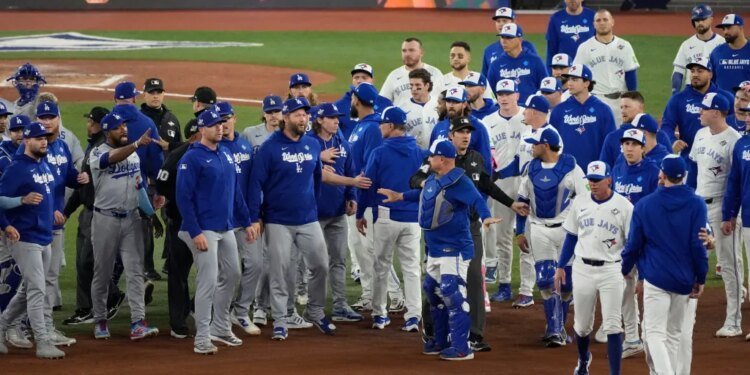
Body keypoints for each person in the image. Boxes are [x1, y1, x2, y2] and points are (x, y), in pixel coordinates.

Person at [410, 117, 528, 353]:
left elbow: (486, 186)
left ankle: (474, 334)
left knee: (474, 278)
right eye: (461, 132)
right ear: (451, 135)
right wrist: (434, 186)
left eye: (468, 132)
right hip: (441, 232)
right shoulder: (436, 158)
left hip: (469, 228)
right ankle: (433, 331)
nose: (466, 136)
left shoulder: (476, 159)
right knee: (434, 282)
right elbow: (415, 179)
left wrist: (510, 203)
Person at [378, 140, 501, 361]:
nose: (428, 159)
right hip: (434, 248)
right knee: (433, 291)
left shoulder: (460, 182)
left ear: (442, 159)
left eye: (432, 156)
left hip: (454, 248)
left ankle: (462, 347)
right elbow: (425, 195)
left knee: (452, 293)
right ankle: (440, 340)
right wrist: (400, 196)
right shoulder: (435, 179)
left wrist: (486, 217)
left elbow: (476, 200)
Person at [247, 97, 333, 341]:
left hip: (308, 218)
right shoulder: (269, 148)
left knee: (321, 265)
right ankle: (281, 320)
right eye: (297, 115)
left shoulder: (312, 145)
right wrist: (256, 216)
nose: (303, 118)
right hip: (278, 220)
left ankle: (315, 311)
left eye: (305, 114)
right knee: (280, 271)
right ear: (285, 118)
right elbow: (255, 184)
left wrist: (312, 206)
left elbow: (316, 178)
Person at [621, 155, 709, 375]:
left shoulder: (644, 205)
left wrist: (625, 269)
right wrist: (701, 277)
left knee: (654, 334)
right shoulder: (697, 203)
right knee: (673, 335)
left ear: (661, 175)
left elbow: (633, 245)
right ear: (684, 177)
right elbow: (698, 245)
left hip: (656, 278)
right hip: (684, 280)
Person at [177, 109, 253, 354]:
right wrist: (195, 230)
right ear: (202, 129)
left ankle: (220, 327)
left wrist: (247, 221)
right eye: (213, 125)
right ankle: (202, 337)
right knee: (207, 281)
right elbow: (183, 197)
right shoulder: (192, 158)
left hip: (226, 226)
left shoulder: (225, 153)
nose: (220, 128)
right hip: (203, 229)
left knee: (232, 275)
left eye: (221, 124)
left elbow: (236, 193)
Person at [554, 160, 633, 375]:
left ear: (609, 180)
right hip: (583, 269)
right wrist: (561, 266)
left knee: (613, 325)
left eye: (597, 180)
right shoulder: (579, 203)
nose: (593, 184)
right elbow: (571, 237)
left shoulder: (624, 206)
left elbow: (633, 242)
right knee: (581, 326)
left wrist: (629, 268)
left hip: (611, 269)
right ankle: (582, 359)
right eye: (590, 180)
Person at [88, 112, 160, 342]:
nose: (124, 130)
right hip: (105, 220)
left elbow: (139, 188)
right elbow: (110, 159)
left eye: (125, 126)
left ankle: (138, 322)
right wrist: (137, 144)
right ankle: (100, 319)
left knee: (135, 271)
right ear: (108, 131)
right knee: (103, 272)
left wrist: (150, 213)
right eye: (119, 127)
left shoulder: (134, 156)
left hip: (131, 220)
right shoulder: (97, 153)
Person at [356, 106, 428, 331]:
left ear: (389, 126)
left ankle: (379, 315)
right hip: (413, 218)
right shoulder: (420, 152)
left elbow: (367, 185)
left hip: (386, 217)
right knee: (412, 268)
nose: (379, 128)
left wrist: (360, 213)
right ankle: (414, 316)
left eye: (382, 124)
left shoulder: (379, 152)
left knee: (381, 267)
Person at [0, 122, 67, 359]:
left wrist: (53, 212)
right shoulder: (17, 168)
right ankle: (44, 342)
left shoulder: (44, 164)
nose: (44, 141)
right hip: (24, 237)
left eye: (45, 138)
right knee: (38, 290)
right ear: (27, 141)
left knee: (29, 290)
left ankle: (1, 325)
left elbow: (46, 195)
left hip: (44, 235)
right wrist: (10, 219)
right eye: (38, 138)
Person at [516, 127, 588, 347]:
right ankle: (555, 330)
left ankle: (559, 326)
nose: (531, 147)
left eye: (535, 144)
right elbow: (522, 202)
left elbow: (586, 201)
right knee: (546, 280)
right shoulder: (530, 168)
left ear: (545, 145)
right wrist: (520, 231)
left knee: (566, 283)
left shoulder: (572, 168)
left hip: (568, 231)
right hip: (539, 228)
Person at [62, 107, 127, 326]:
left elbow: (89, 188)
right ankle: (94, 303)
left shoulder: (103, 150)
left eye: (91, 121)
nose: (87, 125)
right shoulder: (95, 146)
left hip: (99, 214)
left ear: (100, 124)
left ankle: (100, 302)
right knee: (86, 262)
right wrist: (68, 211)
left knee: (89, 261)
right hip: (90, 212)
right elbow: (83, 187)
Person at [497, 95, 562, 308]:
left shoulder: (553, 137)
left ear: (535, 112)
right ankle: (526, 291)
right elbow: (517, 162)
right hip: (525, 191)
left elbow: (557, 168)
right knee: (524, 238)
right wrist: (496, 175)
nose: (523, 112)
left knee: (546, 242)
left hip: (544, 194)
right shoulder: (527, 133)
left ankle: (557, 289)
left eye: (527, 110)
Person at [348, 83, 405, 314]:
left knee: (372, 248)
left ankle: (396, 295)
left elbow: (370, 166)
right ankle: (369, 295)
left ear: (356, 100)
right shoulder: (360, 126)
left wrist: (365, 198)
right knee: (359, 248)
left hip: (367, 196)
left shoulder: (371, 128)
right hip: (355, 193)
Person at [689, 93, 743, 338]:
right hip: (699, 207)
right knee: (692, 259)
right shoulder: (700, 135)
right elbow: (693, 171)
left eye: (704, 108)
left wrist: (730, 215)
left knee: (729, 266)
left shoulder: (734, 140)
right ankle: (684, 318)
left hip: (722, 207)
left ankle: (733, 321)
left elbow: (737, 180)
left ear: (717, 112)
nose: (699, 111)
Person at [31, 101, 88, 323]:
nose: (46, 122)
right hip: (35, 225)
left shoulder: (62, 147)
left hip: (56, 225)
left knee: (51, 277)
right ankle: (22, 325)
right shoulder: (32, 150)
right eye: (42, 118)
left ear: (58, 119)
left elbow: (67, 176)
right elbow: (36, 185)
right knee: (35, 280)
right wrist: (53, 209)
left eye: (50, 117)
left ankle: (44, 326)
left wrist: (79, 178)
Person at [307, 103, 363, 323]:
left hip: (338, 212)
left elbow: (351, 171)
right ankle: (315, 308)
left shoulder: (342, 144)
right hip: (313, 215)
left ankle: (340, 306)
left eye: (337, 118)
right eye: (331, 118)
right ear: (320, 120)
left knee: (339, 260)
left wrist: (351, 196)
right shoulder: (309, 143)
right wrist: (318, 158)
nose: (337, 121)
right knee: (316, 264)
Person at [209, 102, 261, 338]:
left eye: (227, 118)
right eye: (219, 120)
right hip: (220, 222)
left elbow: (251, 185)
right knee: (223, 272)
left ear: (234, 119)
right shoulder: (213, 148)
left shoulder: (243, 144)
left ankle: (240, 311)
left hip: (244, 218)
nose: (224, 123)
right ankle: (216, 316)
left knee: (256, 264)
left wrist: (254, 217)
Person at [110, 81, 166, 282]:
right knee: (135, 245)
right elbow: (156, 161)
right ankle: (139, 285)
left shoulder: (107, 123)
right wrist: (159, 190)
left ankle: (108, 292)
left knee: (106, 251)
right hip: (137, 190)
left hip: (106, 196)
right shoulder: (147, 123)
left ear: (115, 99)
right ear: (134, 98)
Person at [155, 119, 201, 339]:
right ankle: (178, 321)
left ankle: (196, 308)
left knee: (215, 272)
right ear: (193, 136)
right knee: (178, 274)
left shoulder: (217, 153)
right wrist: (171, 207)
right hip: (181, 225)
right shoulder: (176, 157)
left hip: (208, 226)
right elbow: (161, 188)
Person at [662, 55, 734, 190]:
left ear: (710, 74)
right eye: (693, 71)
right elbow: (667, 125)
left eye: (700, 71)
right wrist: (672, 141)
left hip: (719, 160)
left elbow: (734, 124)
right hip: (688, 161)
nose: (695, 74)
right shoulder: (678, 99)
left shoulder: (725, 98)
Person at [482, 79, 525, 297]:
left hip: (528, 182)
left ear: (517, 94)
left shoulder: (528, 116)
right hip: (501, 184)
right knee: (503, 235)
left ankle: (529, 286)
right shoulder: (488, 121)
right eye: (500, 93)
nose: (504, 97)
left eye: (509, 93)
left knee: (530, 233)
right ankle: (505, 284)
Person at [573, 9, 639, 126]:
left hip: (620, 101)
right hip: (596, 100)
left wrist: (632, 100)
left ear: (612, 22)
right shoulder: (585, 47)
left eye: (605, 19)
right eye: (598, 20)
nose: (602, 23)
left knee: (621, 137)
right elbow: (577, 77)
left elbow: (630, 74)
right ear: (594, 24)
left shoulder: (624, 45)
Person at [550, 64, 617, 170]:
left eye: (575, 79)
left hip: (595, 173)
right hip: (565, 172)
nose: (569, 83)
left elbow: (612, 144)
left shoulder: (603, 110)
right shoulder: (559, 111)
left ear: (586, 83)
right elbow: (552, 144)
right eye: (569, 79)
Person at [723, 94, 750, 342]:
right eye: (748, 114)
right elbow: (734, 183)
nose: (748, 118)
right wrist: (729, 214)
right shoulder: (741, 145)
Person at [429, 85, 493, 174]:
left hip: (468, 179)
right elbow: (431, 156)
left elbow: (485, 161)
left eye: (455, 102)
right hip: (442, 181)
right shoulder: (439, 126)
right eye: (448, 101)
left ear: (464, 104)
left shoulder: (478, 127)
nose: (451, 105)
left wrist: (485, 184)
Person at [600, 92, 672, 167]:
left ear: (641, 107)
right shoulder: (612, 137)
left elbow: (670, 165)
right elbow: (605, 170)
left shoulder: (658, 135)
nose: (623, 111)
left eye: (627, 107)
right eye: (621, 107)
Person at [486, 23, 548, 103]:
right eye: (502, 37)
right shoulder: (496, 65)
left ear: (520, 39)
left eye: (508, 37)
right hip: (507, 112)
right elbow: (490, 93)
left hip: (530, 111)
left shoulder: (535, 61)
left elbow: (545, 87)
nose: (504, 41)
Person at [671, 4, 725, 95]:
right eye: (697, 20)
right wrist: (675, 93)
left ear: (711, 20)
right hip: (691, 92)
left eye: (703, 19)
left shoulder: (722, 43)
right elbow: (678, 71)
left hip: (715, 92)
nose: (700, 23)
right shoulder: (687, 45)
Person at [380, 37, 444, 108]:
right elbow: (382, 102)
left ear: (421, 52)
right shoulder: (394, 75)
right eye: (404, 51)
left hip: (429, 118)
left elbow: (445, 100)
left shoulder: (435, 73)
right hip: (403, 118)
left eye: (411, 50)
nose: (407, 54)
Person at [335, 63, 393, 140]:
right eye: (356, 77)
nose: (359, 81)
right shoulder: (339, 106)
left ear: (372, 81)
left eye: (364, 77)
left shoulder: (385, 103)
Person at [482, 7, 539, 78]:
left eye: (504, 21)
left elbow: (537, 71)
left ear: (513, 22)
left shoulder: (528, 46)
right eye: (498, 21)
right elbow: (485, 78)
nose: (501, 24)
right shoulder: (489, 50)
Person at [545, 0, 596, 69]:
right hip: (564, 69)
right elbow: (551, 51)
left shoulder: (593, 16)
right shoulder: (555, 18)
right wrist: (550, 74)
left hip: (589, 68)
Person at [710, 14, 750, 93]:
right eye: (723, 29)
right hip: (723, 103)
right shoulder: (716, 52)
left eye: (729, 27)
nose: (725, 32)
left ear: (740, 27)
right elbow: (711, 82)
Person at [140, 78, 181, 155]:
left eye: (159, 92)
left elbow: (179, 148)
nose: (155, 96)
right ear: (144, 95)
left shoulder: (172, 118)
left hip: (168, 166)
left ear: (163, 94)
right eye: (151, 92)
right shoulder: (138, 118)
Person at [401, 68, 439, 148]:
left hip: (436, 155)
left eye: (418, 85)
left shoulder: (438, 104)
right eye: (411, 85)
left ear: (427, 86)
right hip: (412, 154)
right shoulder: (402, 108)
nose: (414, 89)